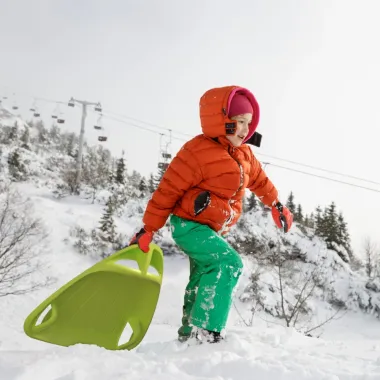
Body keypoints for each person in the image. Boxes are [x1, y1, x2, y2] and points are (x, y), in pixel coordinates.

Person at [129, 85, 293, 344]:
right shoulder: (196, 152)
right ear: (220, 121)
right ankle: (208, 332)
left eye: (248, 123)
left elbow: (260, 181)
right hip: (188, 225)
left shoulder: (245, 154)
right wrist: (148, 229)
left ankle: (188, 335)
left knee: (202, 278)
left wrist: (276, 205)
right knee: (228, 263)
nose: (244, 130)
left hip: (210, 228)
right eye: (238, 122)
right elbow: (168, 190)